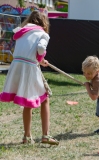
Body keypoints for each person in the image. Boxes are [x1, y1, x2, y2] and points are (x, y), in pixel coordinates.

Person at [0, 11, 59, 145]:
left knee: (28, 101)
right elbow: (39, 48)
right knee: (45, 99)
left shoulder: (20, 32)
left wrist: (39, 59)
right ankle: (45, 135)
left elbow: (25, 49)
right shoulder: (43, 34)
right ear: (43, 23)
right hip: (29, 68)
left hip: (16, 67)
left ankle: (27, 137)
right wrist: (40, 57)